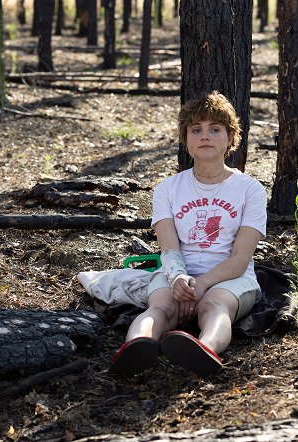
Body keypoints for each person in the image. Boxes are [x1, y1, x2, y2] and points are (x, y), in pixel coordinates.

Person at [110, 91, 267, 377]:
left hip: (231, 278)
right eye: (196, 130)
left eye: (215, 129)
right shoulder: (168, 189)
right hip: (177, 274)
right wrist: (180, 278)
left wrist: (203, 284)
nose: (205, 136)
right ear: (186, 139)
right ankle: (137, 347)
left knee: (214, 305)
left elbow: (241, 258)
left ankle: (204, 350)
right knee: (160, 308)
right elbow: (169, 249)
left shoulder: (249, 189)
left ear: (230, 139)